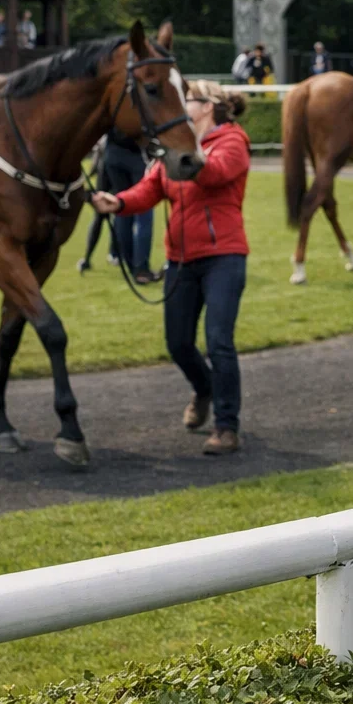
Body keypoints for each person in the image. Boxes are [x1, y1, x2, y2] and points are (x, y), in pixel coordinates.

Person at [90, 81, 250, 456]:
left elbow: (214, 173)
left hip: (223, 256)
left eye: (188, 100)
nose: (181, 106)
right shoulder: (175, 147)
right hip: (180, 259)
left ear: (207, 107)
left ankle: (227, 427)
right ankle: (205, 388)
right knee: (177, 343)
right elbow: (150, 189)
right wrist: (117, 201)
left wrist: (182, 150)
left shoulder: (231, 142)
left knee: (219, 342)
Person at [95, 129, 157, 283]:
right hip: (137, 155)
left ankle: (127, 264)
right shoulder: (137, 106)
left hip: (113, 154)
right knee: (144, 212)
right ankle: (141, 268)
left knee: (122, 210)